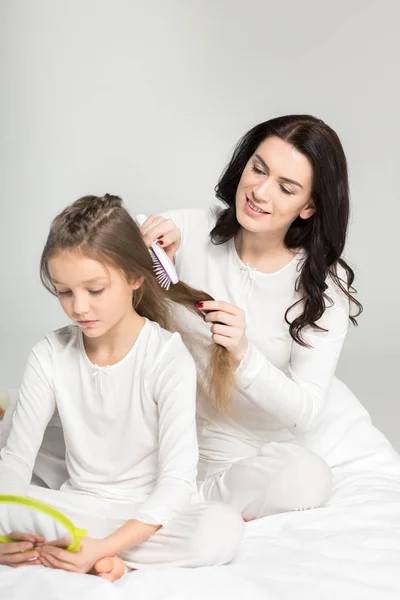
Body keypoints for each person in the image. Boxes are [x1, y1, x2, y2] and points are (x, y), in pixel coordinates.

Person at [0, 194, 244, 579]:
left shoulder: (166, 357)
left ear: (135, 277)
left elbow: (177, 481)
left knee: (220, 529)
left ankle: (95, 551)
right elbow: (15, 460)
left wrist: (107, 543)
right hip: (73, 505)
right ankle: (84, 552)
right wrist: (8, 533)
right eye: (65, 292)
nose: (79, 307)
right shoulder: (49, 353)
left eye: (95, 290)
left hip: (141, 516)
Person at [140, 114, 363, 521]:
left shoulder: (324, 291)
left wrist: (244, 353)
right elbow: (102, 252)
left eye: (285, 187)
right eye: (257, 168)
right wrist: (145, 243)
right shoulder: (191, 228)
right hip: (164, 426)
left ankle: (189, 500)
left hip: (240, 449)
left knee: (306, 478)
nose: (259, 192)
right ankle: (173, 495)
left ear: (309, 205)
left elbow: (305, 413)